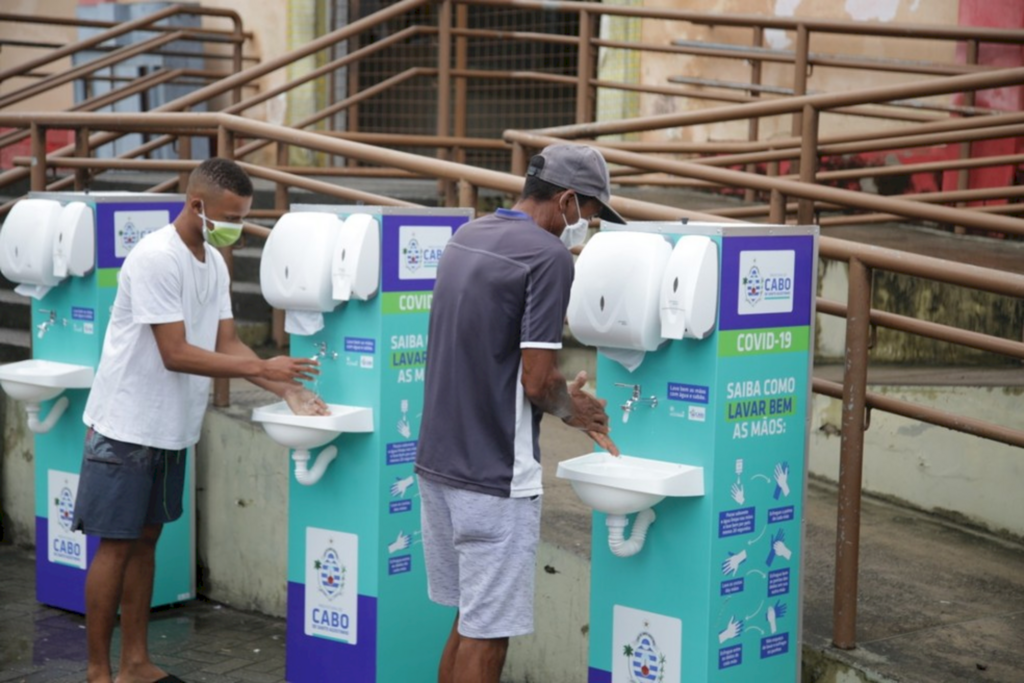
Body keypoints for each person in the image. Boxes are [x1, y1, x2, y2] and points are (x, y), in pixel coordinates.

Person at [72, 158, 327, 683]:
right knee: (116, 546)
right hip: (125, 424)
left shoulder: (214, 262)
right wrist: (264, 365)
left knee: (146, 542)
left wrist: (289, 391)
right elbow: (177, 352)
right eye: (229, 215)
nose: (235, 226)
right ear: (196, 205)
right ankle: (98, 672)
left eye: (243, 216)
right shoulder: (155, 258)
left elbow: (225, 341)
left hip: (171, 427)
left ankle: (135, 663)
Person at [415, 143, 623, 683]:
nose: (591, 224)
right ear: (568, 200)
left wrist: (555, 392)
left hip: (438, 463)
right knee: (488, 637)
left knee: (468, 619)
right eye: (593, 212)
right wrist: (571, 408)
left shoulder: (469, 235)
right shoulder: (548, 257)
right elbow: (536, 380)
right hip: (494, 474)